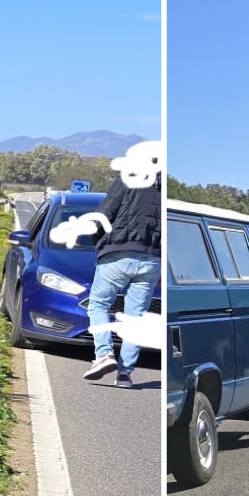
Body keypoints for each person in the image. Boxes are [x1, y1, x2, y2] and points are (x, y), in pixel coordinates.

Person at [82, 140, 162, 388]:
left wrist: (96, 239)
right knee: (135, 318)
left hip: (118, 252)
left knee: (98, 304)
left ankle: (104, 354)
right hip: (151, 259)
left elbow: (105, 213)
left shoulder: (128, 177)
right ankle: (125, 375)